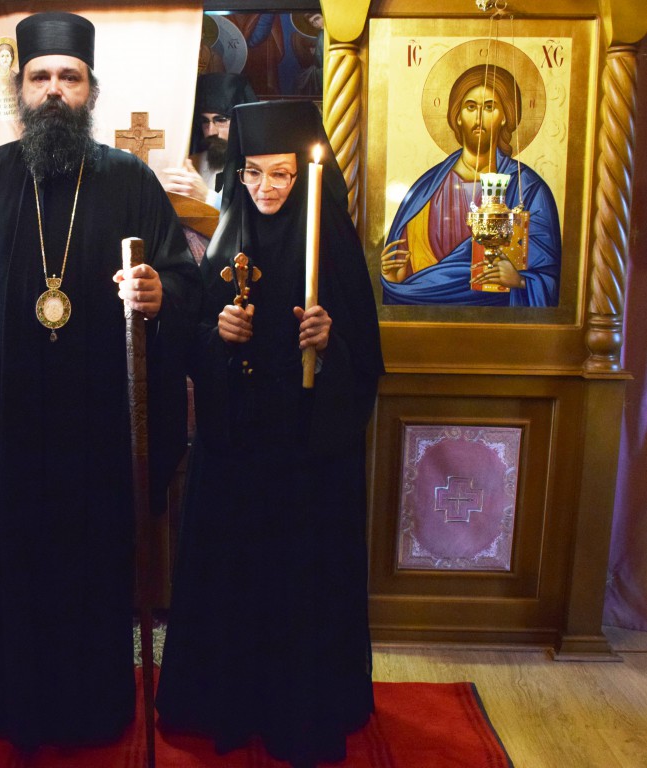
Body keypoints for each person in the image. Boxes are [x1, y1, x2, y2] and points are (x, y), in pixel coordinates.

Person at [0, 11, 201, 754]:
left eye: (70, 76)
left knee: (91, 572)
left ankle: (94, 707)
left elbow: (183, 282)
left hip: (97, 435)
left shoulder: (129, 180)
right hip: (4, 432)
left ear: (90, 88)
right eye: (41, 77)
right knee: (11, 571)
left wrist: (160, 294)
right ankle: (5, 702)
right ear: (20, 87)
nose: (55, 90)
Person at [156, 99, 384, 768]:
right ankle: (224, 703)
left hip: (308, 457)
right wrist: (217, 336)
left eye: (281, 174)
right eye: (252, 173)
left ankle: (300, 710)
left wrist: (330, 343)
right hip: (236, 452)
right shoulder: (228, 238)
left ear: (306, 175)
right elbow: (192, 343)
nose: (265, 188)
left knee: (301, 584)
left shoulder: (334, 247)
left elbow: (366, 364)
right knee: (233, 578)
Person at [381, 64, 561, 306]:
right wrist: (395, 280)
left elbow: (550, 278)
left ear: (505, 116)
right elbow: (406, 274)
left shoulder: (528, 189)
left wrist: (520, 282)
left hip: (503, 324)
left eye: (489, 107)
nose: (478, 118)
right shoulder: (426, 191)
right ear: (457, 115)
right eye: (470, 107)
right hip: (428, 321)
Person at [162, 72, 256, 208]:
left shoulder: (260, 167)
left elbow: (252, 217)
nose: (211, 131)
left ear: (242, 122)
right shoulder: (193, 163)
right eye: (205, 121)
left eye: (221, 120)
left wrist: (206, 196)